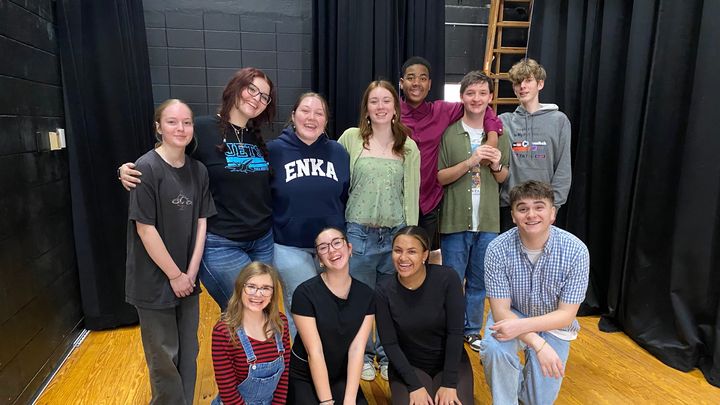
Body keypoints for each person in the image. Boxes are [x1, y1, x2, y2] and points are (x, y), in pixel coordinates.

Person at [120, 67, 277, 311]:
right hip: (223, 243)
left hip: (263, 241)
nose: (257, 98)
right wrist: (125, 170)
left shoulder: (256, 137)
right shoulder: (202, 129)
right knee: (245, 310)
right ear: (235, 88)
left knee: (260, 309)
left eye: (264, 96)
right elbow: (164, 156)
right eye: (252, 89)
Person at [125, 99, 216, 404]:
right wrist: (175, 275)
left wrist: (190, 273)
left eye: (187, 122)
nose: (181, 128)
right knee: (164, 357)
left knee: (189, 352)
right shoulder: (145, 168)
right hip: (154, 280)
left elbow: (202, 222)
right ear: (158, 127)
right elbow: (145, 229)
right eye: (172, 122)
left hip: (187, 280)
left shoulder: (198, 171)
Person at [338, 80, 420, 381]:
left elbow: (412, 193)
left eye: (386, 100)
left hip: (395, 236)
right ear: (366, 108)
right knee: (359, 300)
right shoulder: (350, 139)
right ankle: (362, 355)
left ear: (395, 108)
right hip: (358, 233)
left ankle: (387, 356)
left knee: (390, 302)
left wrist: (410, 236)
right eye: (374, 101)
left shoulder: (408, 146)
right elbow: (339, 187)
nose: (381, 106)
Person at [480, 180, 589, 404]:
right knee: (495, 349)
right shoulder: (497, 249)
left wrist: (528, 332)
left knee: (537, 400)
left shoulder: (576, 251)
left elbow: (566, 315)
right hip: (514, 313)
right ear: (513, 216)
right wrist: (538, 344)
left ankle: (523, 390)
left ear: (552, 213)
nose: (531, 215)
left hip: (553, 323)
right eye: (523, 209)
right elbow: (501, 312)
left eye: (539, 207)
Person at [437, 71, 510, 352]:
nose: (476, 99)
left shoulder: (500, 134)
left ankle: (471, 330)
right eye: (470, 93)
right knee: (453, 281)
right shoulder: (450, 133)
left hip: (488, 222)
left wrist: (496, 165)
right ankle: (451, 329)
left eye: (482, 93)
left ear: (490, 97)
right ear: (462, 97)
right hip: (455, 221)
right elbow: (441, 176)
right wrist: (471, 161)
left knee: (479, 282)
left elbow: (504, 177)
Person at [268, 93, 350, 339]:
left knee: (333, 305)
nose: (311, 118)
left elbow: (344, 196)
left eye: (319, 113)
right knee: (303, 308)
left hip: (331, 247)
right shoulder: (273, 151)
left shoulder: (338, 152)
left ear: (326, 120)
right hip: (290, 245)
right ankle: (302, 360)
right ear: (293, 115)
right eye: (305, 111)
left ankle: (330, 358)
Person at [399, 56, 502, 250]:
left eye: (422, 78)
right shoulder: (392, 113)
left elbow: (482, 108)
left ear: (430, 84)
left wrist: (492, 138)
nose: (416, 83)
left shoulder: (441, 111)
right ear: (402, 82)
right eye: (411, 78)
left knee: (424, 256)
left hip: (429, 202)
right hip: (397, 200)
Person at [376, 226, 473, 405]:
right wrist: (414, 386)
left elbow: (455, 333)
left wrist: (449, 383)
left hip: (450, 362)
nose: (403, 258)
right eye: (398, 250)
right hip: (409, 365)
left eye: (412, 251)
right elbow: (390, 344)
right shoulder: (383, 290)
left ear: (425, 255)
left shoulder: (447, 278)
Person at [288, 227, 375, 405]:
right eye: (323, 247)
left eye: (337, 243)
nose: (332, 250)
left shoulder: (366, 294)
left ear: (349, 248)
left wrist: (350, 400)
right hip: (306, 374)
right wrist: (327, 402)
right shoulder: (304, 294)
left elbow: (357, 349)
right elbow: (315, 352)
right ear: (320, 259)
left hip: (341, 374)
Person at [498, 58, 572, 231]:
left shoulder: (559, 121)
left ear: (540, 84)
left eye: (528, 80)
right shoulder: (503, 121)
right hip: (511, 207)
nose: (522, 86)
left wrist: (554, 206)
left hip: (544, 208)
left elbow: (563, 167)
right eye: (518, 82)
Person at [211, 262, 291, 405]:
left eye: (265, 288)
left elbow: (284, 376)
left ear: (272, 293)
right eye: (251, 287)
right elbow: (228, 393)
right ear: (240, 288)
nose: (258, 294)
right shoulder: (224, 332)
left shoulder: (280, 323)